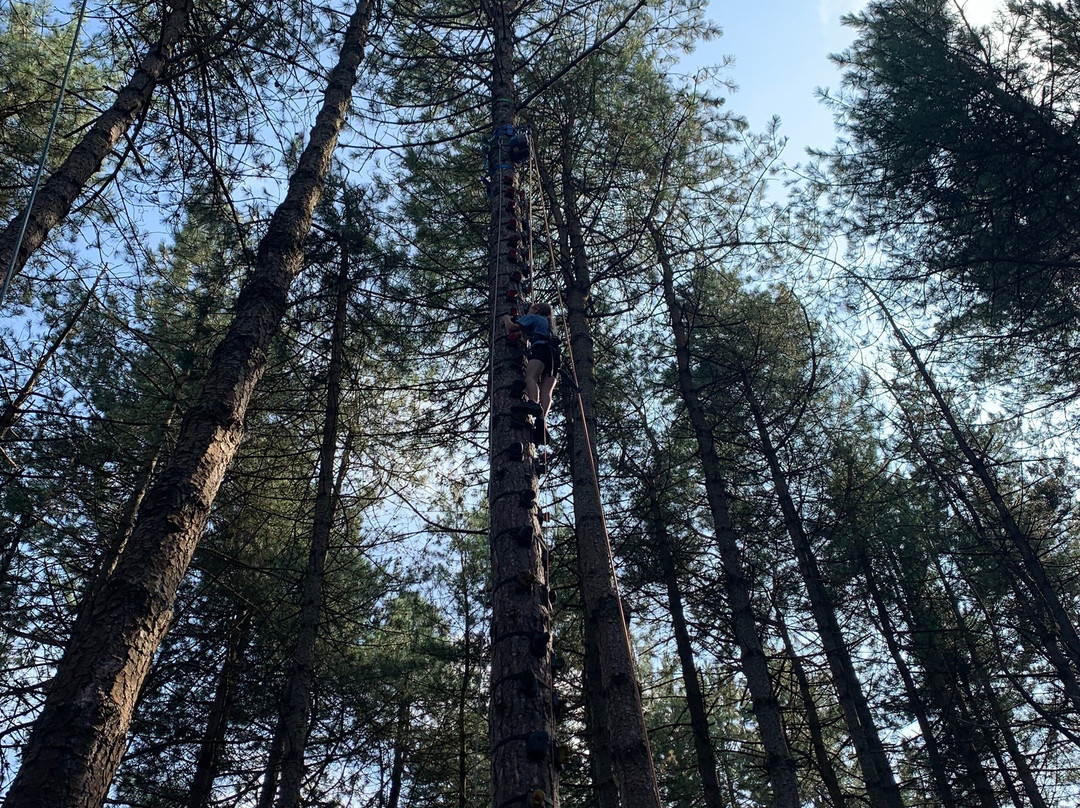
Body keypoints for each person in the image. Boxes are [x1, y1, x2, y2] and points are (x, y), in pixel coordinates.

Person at [502, 302, 560, 421]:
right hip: (555, 356)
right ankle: (542, 418)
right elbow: (525, 338)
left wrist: (506, 319)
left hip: (541, 350)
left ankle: (533, 402)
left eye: (528, 310)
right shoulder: (548, 325)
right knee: (547, 390)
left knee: (530, 377)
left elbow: (512, 328)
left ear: (536, 309)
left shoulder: (533, 317)